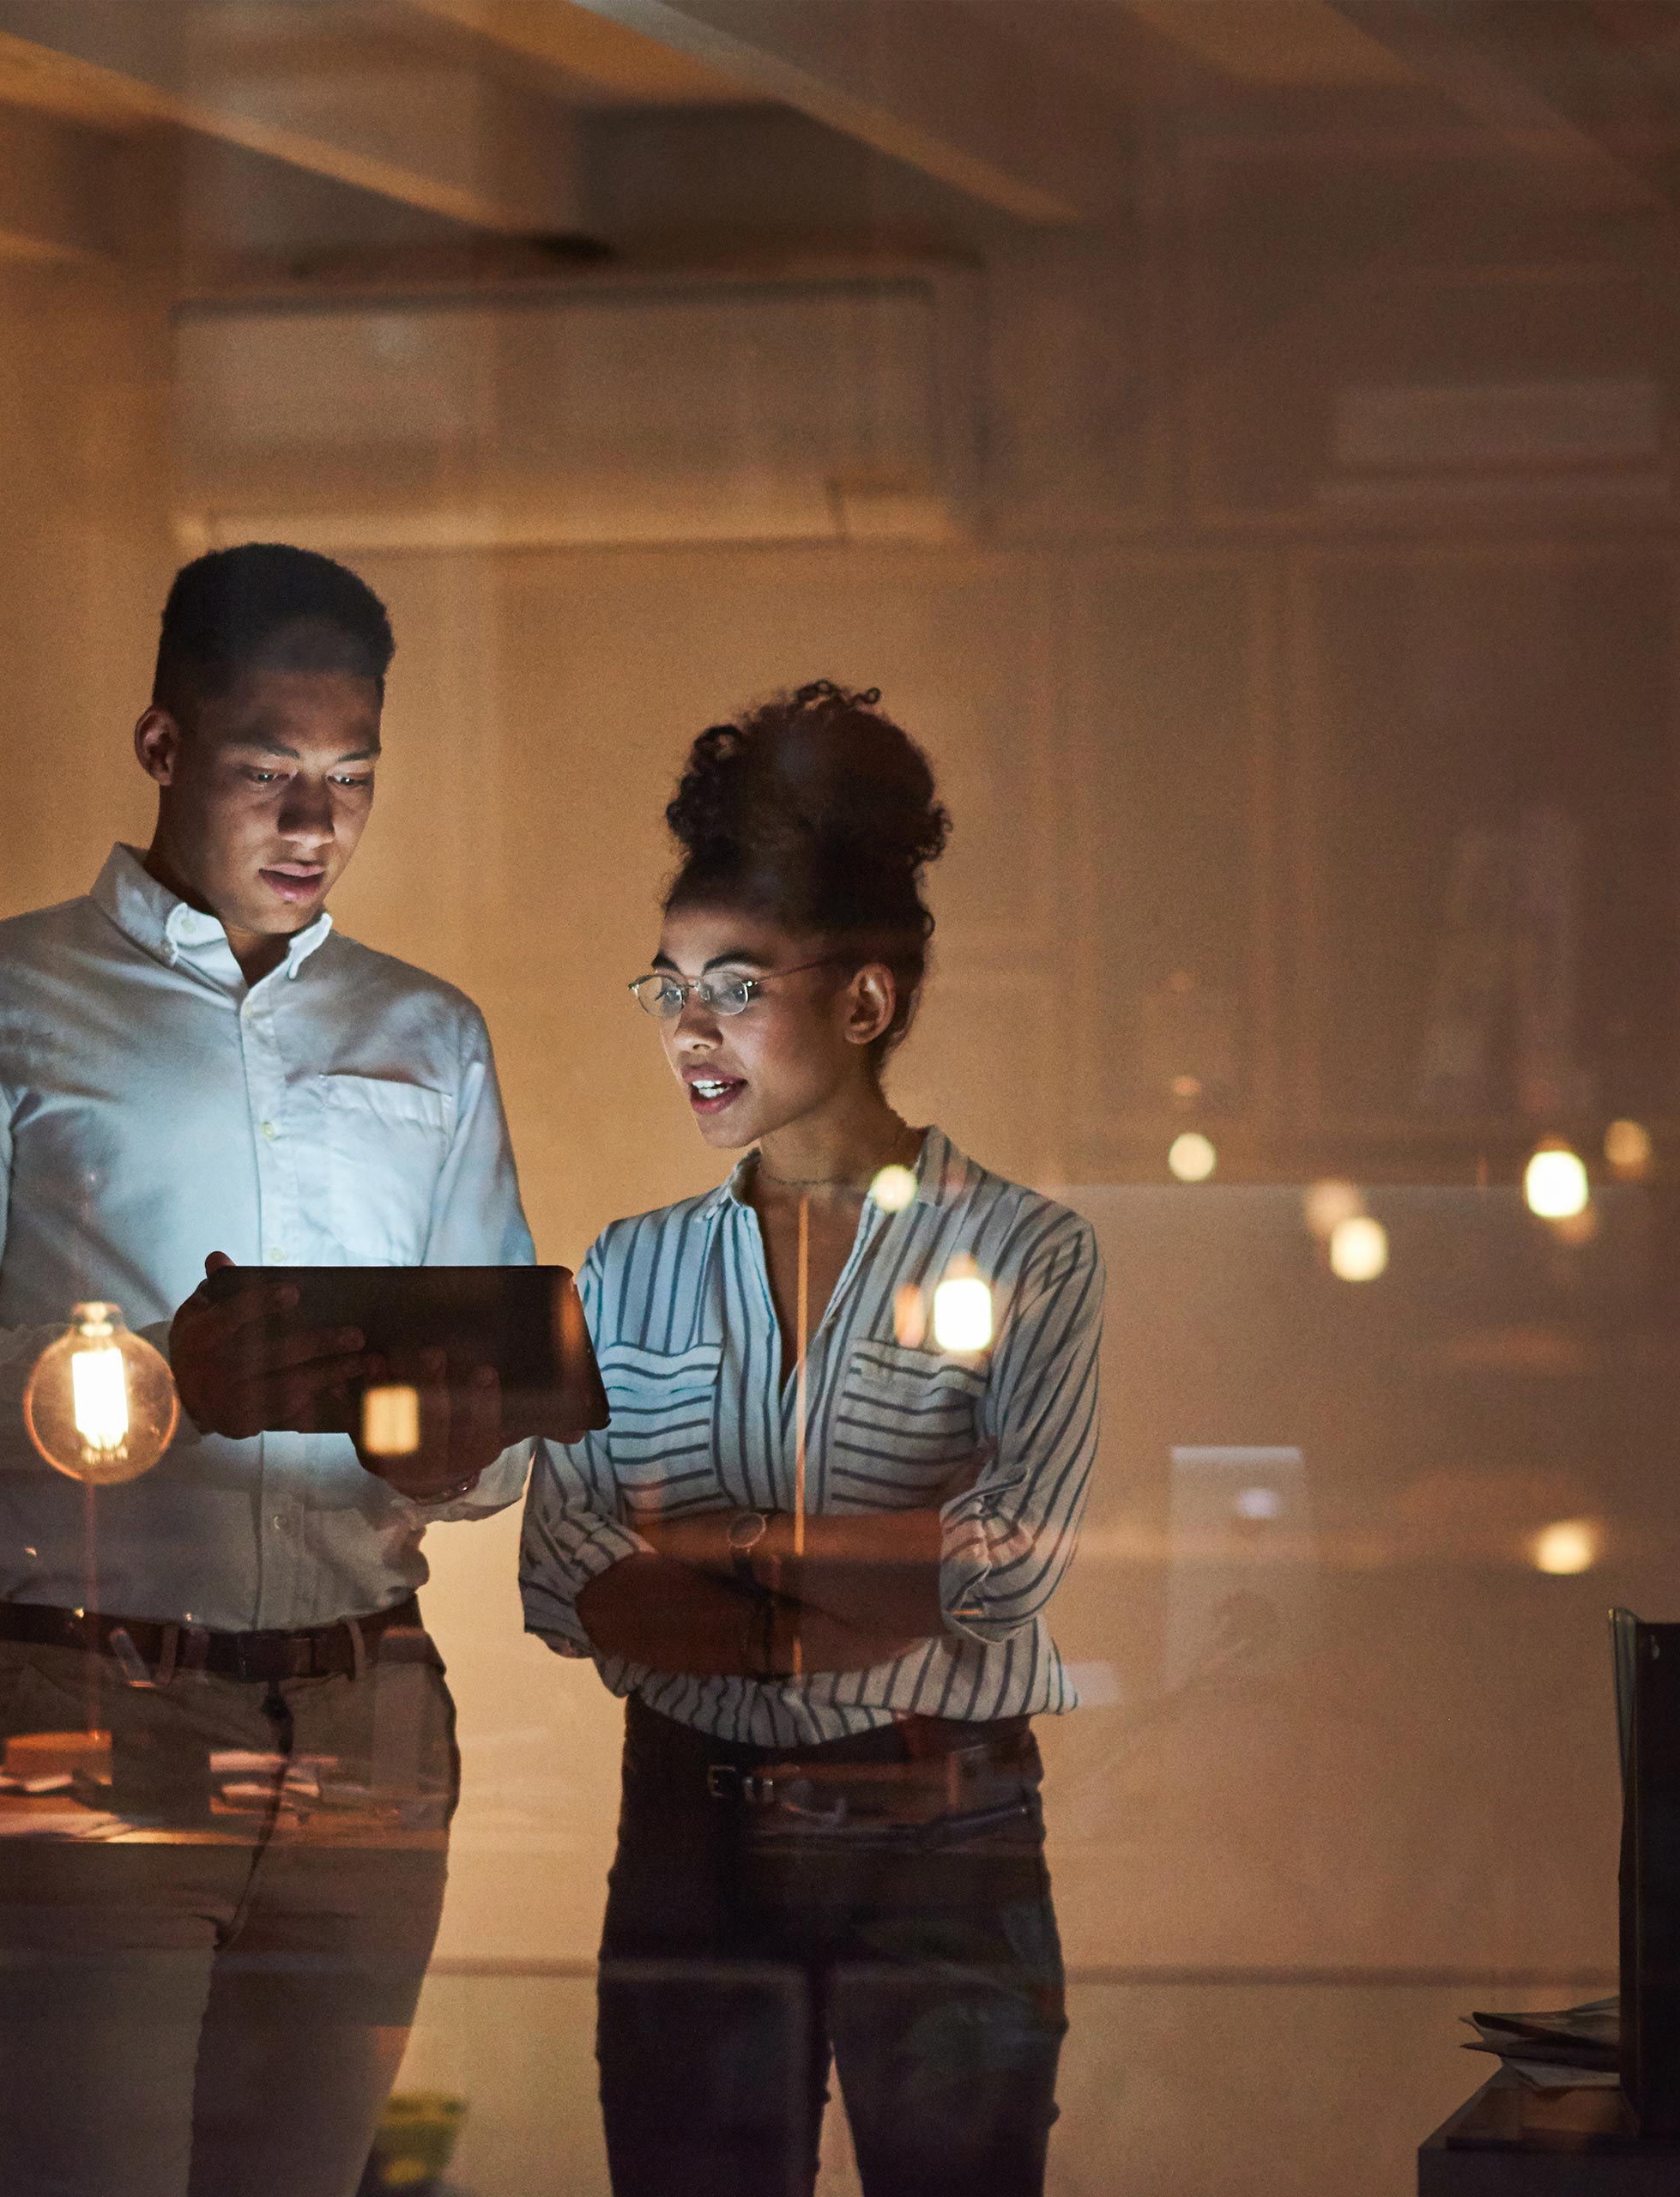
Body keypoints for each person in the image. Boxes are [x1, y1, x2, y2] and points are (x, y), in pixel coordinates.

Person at [0, 542, 530, 2197]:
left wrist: (463, 1451)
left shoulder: (432, 1036)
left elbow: (500, 1447)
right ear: (161, 747)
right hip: (97, 1711)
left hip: (369, 1721)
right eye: (266, 771)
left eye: (351, 779)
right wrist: (160, 1381)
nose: (315, 824)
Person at [520, 680, 1100, 2197]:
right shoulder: (625, 1266)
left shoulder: (1029, 1253)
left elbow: (994, 1568)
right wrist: (829, 1576)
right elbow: (570, 1565)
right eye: (666, 988)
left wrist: (705, 1560)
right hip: (689, 1834)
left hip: (943, 1838)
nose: (687, 1030)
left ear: (865, 999)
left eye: (733, 984)